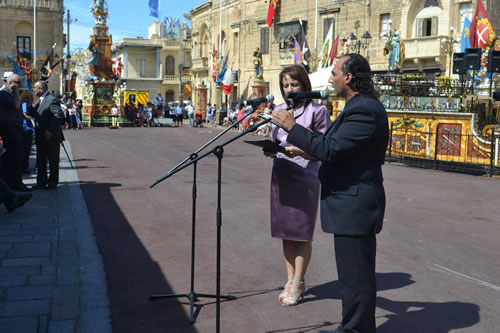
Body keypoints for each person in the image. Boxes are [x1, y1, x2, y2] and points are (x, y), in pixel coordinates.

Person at [272, 54, 389, 332]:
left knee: (355, 278)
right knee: (353, 277)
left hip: (355, 203)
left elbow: (331, 150)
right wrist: (303, 149)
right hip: (351, 202)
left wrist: (292, 127)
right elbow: (333, 145)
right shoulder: (357, 106)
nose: (330, 78)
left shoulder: (363, 110)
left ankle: (354, 329)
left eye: (335, 72)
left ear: (348, 77)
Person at [264, 65, 330, 307]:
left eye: (294, 85)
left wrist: (300, 150)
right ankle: (289, 279)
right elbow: (274, 140)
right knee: (285, 232)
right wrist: (270, 150)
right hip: (281, 174)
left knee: (300, 233)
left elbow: (324, 149)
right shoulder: (279, 110)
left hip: (305, 176)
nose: (289, 90)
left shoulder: (318, 111)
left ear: (304, 85)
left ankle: (299, 282)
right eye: (285, 85)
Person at [30, 80, 65, 190]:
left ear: (41, 89)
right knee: (40, 160)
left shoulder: (52, 99)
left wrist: (49, 130)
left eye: (35, 88)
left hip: (51, 136)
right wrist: (28, 105)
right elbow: (36, 114)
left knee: (53, 160)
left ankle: (52, 182)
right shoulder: (39, 100)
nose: (34, 90)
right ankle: (41, 181)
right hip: (40, 136)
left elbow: (58, 115)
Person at [0, 73, 30, 192]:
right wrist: (16, 91)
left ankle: (12, 183)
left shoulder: (9, 94)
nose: (19, 85)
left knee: (16, 157)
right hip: (9, 130)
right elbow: (17, 105)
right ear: (11, 83)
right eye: (17, 82)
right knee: (16, 157)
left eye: (19, 83)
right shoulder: (4, 93)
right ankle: (16, 184)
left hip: (14, 129)